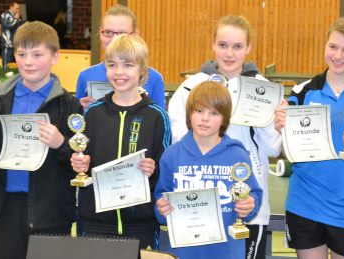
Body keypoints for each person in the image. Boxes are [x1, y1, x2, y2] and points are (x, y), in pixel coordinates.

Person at [167, 15, 281, 259]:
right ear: (213, 44)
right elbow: (176, 139)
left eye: (237, 46)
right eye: (223, 45)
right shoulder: (191, 87)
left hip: (245, 206)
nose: (229, 53)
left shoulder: (263, 89)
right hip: (197, 204)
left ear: (248, 48)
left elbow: (272, 148)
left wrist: (279, 125)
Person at [273, 17, 344, 259]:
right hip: (305, 203)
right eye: (333, 46)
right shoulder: (303, 91)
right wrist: (281, 127)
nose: (338, 55)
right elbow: (285, 151)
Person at [0, 21, 82, 259]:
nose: (28, 61)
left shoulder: (69, 104)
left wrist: (61, 143)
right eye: (22, 54)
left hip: (51, 214)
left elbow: (78, 167)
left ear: (55, 57)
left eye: (37, 54)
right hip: (4, 209)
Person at [70, 34, 171, 249]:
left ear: (142, 70)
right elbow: (83, 165)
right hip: (96, 224)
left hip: (140, 225)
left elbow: (165, 171)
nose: (119, 72)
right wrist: (80, 165)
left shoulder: (156, 116)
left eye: (128, 65)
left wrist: (153, 170)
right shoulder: (92, 114)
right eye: (112, 65)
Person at [155, 81, 262, 259]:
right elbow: (161, 198)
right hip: (183, 252)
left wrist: (249, 205)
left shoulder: (237, 155)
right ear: (189, 114)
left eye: (214, 113)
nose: (205, 118)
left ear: (224, 119)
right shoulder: (172, 155)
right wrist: (161, 209)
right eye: (199, 111)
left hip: (226, 252)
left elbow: (253, 195)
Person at [75, 4, 166, 109]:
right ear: (100, 33)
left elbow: (159, 120)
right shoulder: (85, 76)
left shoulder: (154, 78)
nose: (115, 39)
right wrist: (79, 109)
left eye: (122, 33)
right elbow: (77, 121)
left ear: (135, 35)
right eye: (108, 32)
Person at [1, 1, 23, 68]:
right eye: (16, 8)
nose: (18, 10)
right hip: (7, 44)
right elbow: (8, 25)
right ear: (11, 7)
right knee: (6, 64)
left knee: (15, 64)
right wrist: (15, 19)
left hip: (16, 44)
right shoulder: (5, 15)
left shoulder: (17, 16)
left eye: (18, 8)